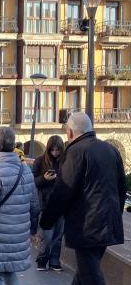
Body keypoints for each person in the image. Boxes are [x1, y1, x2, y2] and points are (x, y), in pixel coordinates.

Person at [40, 112, 126, 285]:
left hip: (86, 226)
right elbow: (121, 188)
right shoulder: (111, 150)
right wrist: (115, 214)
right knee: (86, 272)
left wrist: (46, 221)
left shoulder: (75, 152)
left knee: (91, 276)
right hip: (108, 222)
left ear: (70, 132)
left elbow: (63, 191)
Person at [0, 127, 40, 285]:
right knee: (10, 273)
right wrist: (33, 230)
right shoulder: (25, 170)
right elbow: (35, 205)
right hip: (19, 235)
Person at [32, 135, 65, 271]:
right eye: (52, 150)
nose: (55, 153)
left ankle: (54, 261)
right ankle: (42, 259)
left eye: (57, 150)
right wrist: (44, 178)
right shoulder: (40, 161)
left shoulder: (65, 161)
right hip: (45, 204)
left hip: (61, 203)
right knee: (46, 235)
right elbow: (33, 181)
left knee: (58, 235)